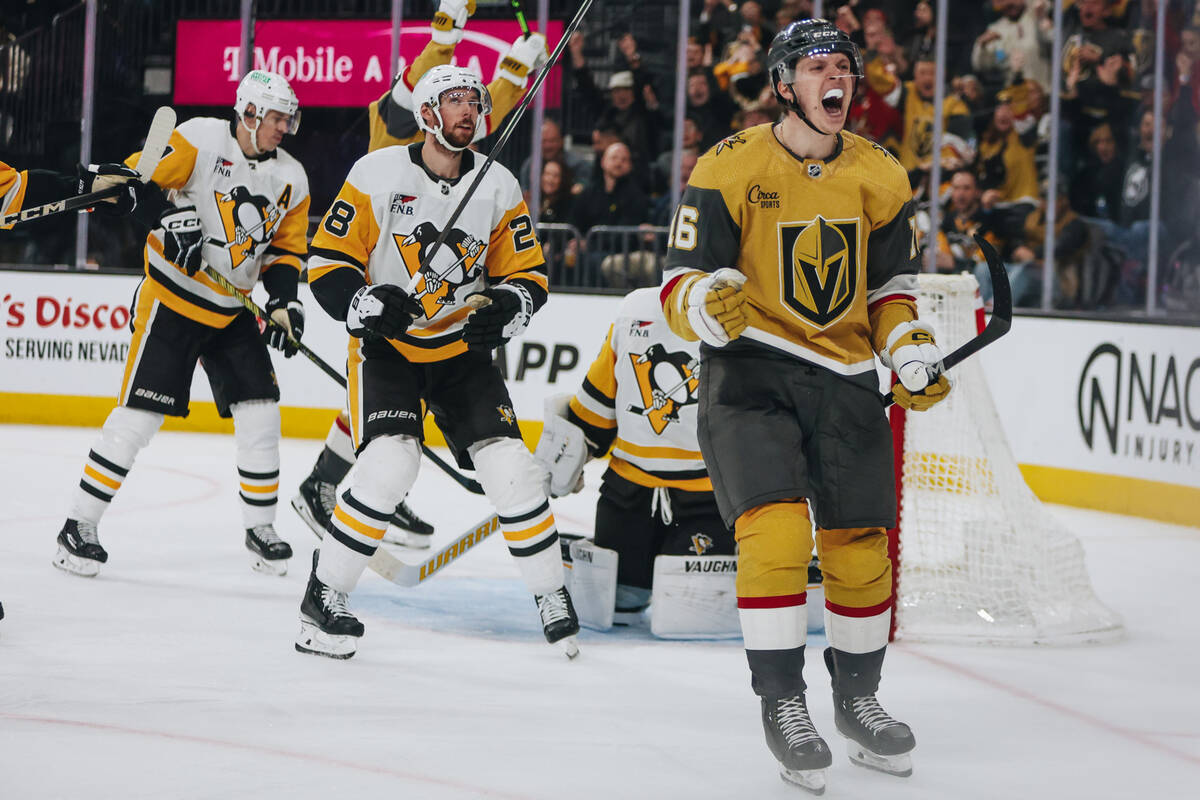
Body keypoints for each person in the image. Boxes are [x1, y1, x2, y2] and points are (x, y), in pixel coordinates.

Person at [660, 19, 951, 792]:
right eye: (819, 66)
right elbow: (678, 280)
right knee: (779, 534)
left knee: (861, 549)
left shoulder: (882, 175)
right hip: (752, 373)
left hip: (848, 376)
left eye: (846, 68)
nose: (838, 79)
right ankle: (784, 703)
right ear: (784, 83)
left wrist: (910, 348)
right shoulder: (728, 166)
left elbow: (890, 292)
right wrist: (702, 302)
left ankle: (859, 702)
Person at [297, 65, 578, 661]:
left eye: (473, 101)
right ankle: (324, 598)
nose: (468, 110)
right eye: (454, 101)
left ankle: (551, 594)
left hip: (459, 353)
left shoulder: (498, 183)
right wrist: (364, 302)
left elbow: (527, 274)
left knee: (514, 471)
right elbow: (327, 263)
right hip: (388, 350)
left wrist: (509, 304)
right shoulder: (377, 174)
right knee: (389, 465)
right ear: (427, 114)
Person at [292, 0, 549, 548]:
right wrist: (448, 27)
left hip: (434, 234)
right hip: (389, 238)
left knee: (398, 393)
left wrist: (514, 72)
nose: (461, 107)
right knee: (391, 374)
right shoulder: (394, 118)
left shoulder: (448, 126)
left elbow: (475, 127)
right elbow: (433, 82)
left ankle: (336, 483)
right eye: (447, 97)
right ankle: (338, 483)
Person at [52, 69, 311, 579]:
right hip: (172, 300)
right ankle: (78, 526)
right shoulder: (199, 138)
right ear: (251, 113)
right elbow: (134, 178)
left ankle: (261, 529)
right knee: (138, 420)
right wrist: (172, 217)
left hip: (231, 311)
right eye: (278, 118)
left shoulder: (293, 178)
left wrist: (284, 303)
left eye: (288, 118)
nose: (286, 127)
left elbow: (285, 250)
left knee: (261, 414)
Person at [546, 287, 735, 629]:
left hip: (707, 500)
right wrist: (562, 456)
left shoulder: (734, 309)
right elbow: (598, 402)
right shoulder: (635, 310)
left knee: (694, 609)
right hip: (628, 495)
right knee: (620, 601)